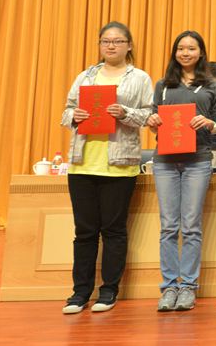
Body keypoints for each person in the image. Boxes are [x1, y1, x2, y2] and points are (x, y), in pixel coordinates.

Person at [60, 22, 153, 314]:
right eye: (105, 41)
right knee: (84, 232)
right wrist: (74, 115)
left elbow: (149, 115)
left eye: (117, 41)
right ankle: (80, 292)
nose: (111, 46)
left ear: (129, 45)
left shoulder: (139, 77)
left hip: (119, 165)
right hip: (83, 164)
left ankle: (109, 290)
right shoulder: (86, 76)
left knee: (114, 230)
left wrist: (125, 112)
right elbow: (66, 111)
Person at [147, 30, 216, 312]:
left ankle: (188, 286)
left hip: (198, 161)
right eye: (181, 48)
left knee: (191, 226)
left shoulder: (212, 85)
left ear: (201, 52)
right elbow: (153, 119)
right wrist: (152, 121)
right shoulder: (163, 85)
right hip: (165, 161)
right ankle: (169, 287)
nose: (186, 53)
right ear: (175, 52)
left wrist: (209, 123)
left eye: (191, 48)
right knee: (169, 226)